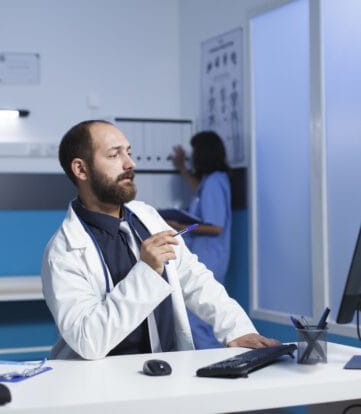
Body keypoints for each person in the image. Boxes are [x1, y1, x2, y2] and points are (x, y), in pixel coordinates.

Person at [41, 120, 278, 360]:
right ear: (81, 170)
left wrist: (237, 329)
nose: (130, 163)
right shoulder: (64, 252)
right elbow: (88, 340)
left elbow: (195, 279)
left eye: (129, 152)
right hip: (103, 383)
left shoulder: (147, 217)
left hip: (166, 371)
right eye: (114, 155)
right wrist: (146, 270)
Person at [170, 131, 234, 349]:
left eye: (195, 152)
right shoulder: (210, 181)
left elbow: (215, 227)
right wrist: (182, 168)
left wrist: (180, 227)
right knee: (198, 318)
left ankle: (214, 367)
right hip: (206, 257)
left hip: (211, 259)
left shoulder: (215, 181)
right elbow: (199, 192)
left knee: (199, 320)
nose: (193, 156)